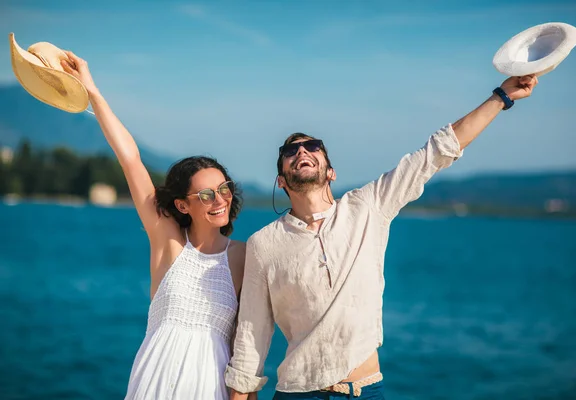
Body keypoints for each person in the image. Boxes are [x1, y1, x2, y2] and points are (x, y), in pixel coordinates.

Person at [225, 75, 539, 399]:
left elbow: (436, 152)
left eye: (313, 146)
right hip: (298, 393)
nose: (302, 151)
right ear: (281, 180)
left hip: (365, 390)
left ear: (330, 171)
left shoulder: (367, 207)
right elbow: (252, 332)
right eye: (291, 150)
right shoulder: (264, 244)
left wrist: (501, 96)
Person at [60, 52, 256, 400]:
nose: (219, 200)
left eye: (224, 189)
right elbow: (130, 158)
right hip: (155, 382)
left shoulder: (245, 256)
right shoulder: (167, 239)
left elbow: (246, 345)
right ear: (183, 204)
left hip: (210, 387)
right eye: (207, 194)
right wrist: (91, 90)